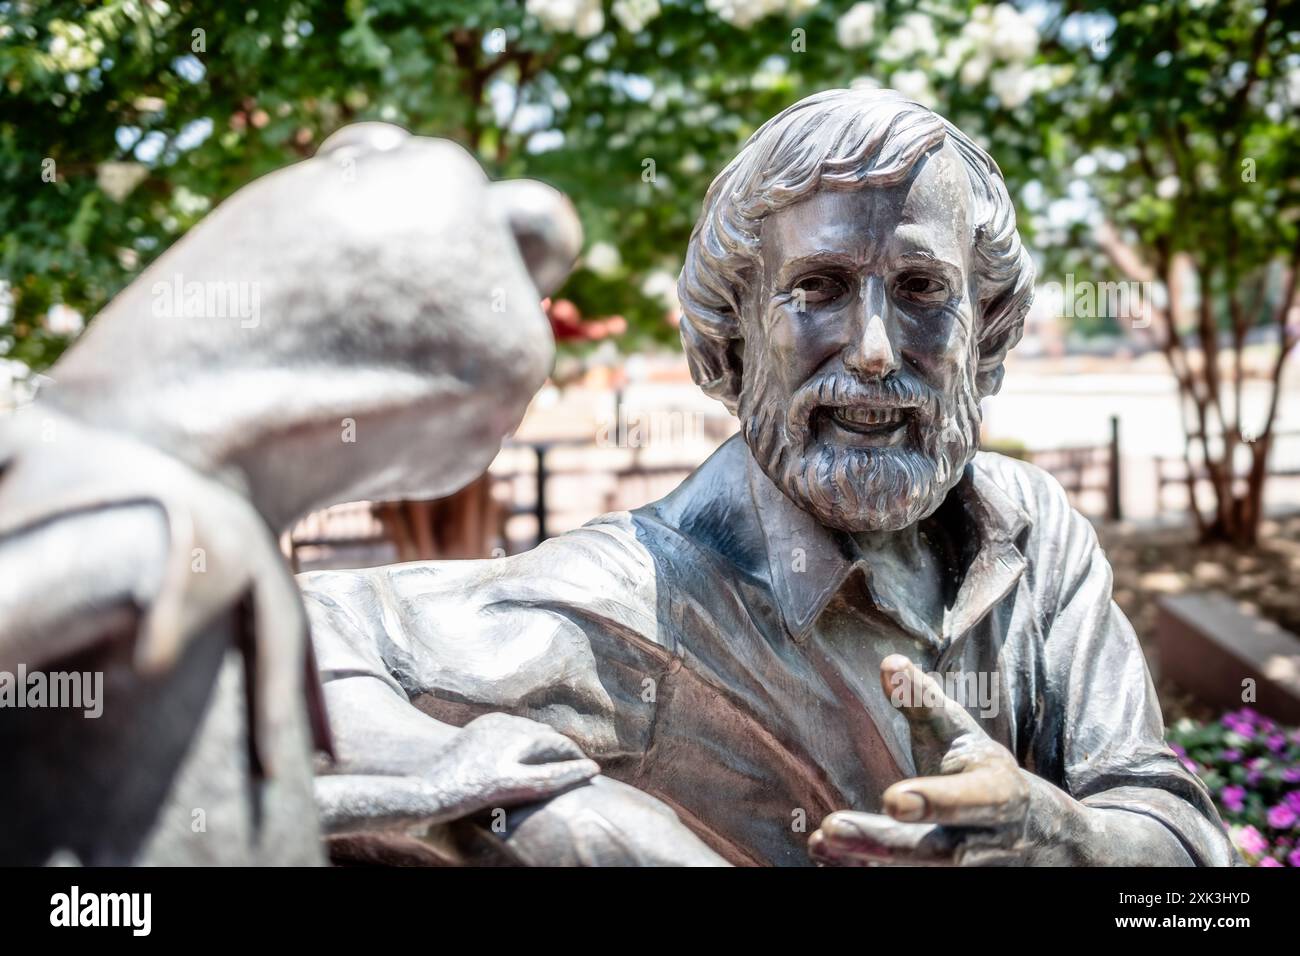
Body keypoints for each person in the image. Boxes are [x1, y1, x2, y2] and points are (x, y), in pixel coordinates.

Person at [301, 90, 1236, 866]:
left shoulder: (1029, 530)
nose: (874, 353)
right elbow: (288, 636)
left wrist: (1057, 838)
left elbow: (1190, 859)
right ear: (729, 346)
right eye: (818, 289)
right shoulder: (639, 602)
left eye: (921, 291)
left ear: (984, 339)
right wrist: (550, 815)